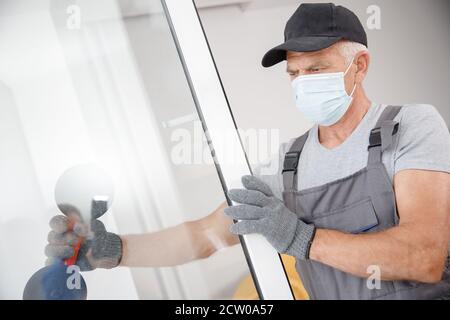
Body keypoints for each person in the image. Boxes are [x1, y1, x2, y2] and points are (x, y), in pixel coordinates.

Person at [45, 3, 450, 299]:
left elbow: (424, 256)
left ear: (359, 66)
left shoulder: (409, 126)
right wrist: (116, 250)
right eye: (293, 73)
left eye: (316, 69)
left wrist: (302, 239)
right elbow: (205, 235)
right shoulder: (286, 167)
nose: (301, 83)